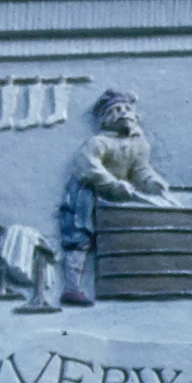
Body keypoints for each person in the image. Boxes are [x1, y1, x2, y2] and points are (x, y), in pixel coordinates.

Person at [52, 88, 172, 308]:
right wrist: (113, 183)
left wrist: (151, 181)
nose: (123, 113)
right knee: (79, 237)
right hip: (86, 194)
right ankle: (72, 288)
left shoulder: (139, 144)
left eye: (127, 109)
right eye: (116, 110)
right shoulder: (99, 142)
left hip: (117, 195)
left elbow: (140, 169)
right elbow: (88, 166)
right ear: (106, 118)